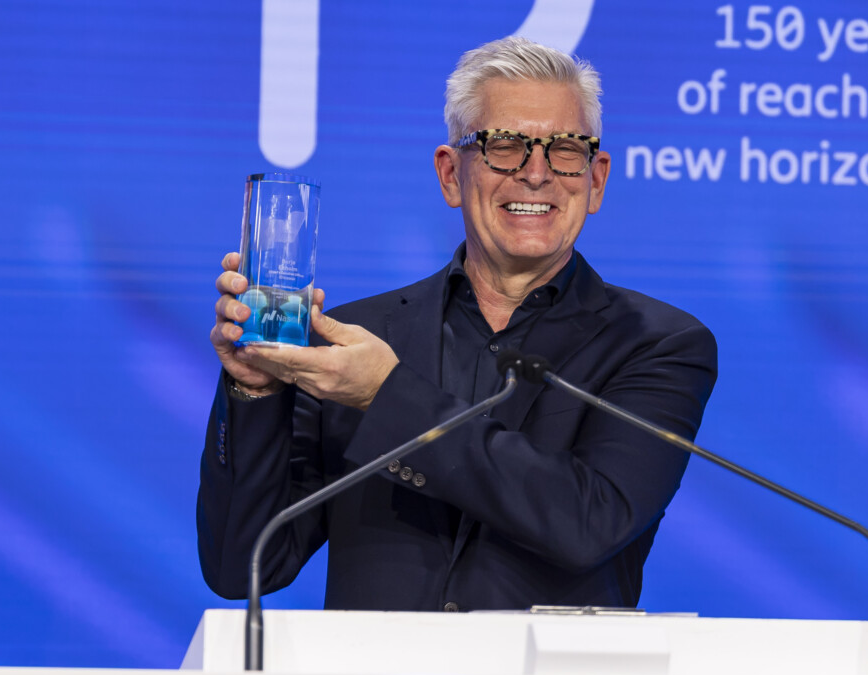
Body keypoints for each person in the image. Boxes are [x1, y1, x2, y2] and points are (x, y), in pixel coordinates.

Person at [197, 37, 717, 611]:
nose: (537, 173)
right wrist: (257, 389)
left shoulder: (657, 344)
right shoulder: (357, 338)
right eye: (505, 146)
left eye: (566, 149)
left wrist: (385, 394)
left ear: (596, 179)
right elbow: (242, 563)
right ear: (450, 174)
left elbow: (588, 524)